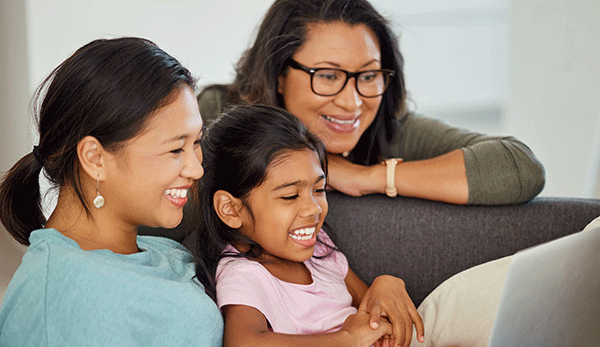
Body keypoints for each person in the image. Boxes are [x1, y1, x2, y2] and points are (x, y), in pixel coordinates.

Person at [0, 37, 309, 347]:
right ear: (95, 158)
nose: (196, 168)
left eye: (196, 143)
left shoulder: (155, 250)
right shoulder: (64, 291)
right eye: (176, 149)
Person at [195, 104, 487, 347]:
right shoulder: (243, 273)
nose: (313, 208)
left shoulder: (320, 249)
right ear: (231, 209)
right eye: (290, 195)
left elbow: (370, 336)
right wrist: (346, 339)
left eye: (319, 190)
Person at [197, 0, 545, 205]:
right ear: (279, 75)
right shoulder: (218, 114)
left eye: (367, 76)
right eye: (329, 76)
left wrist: (368, 177)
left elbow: (519, 168)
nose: (352, 103)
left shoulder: (389, 129)